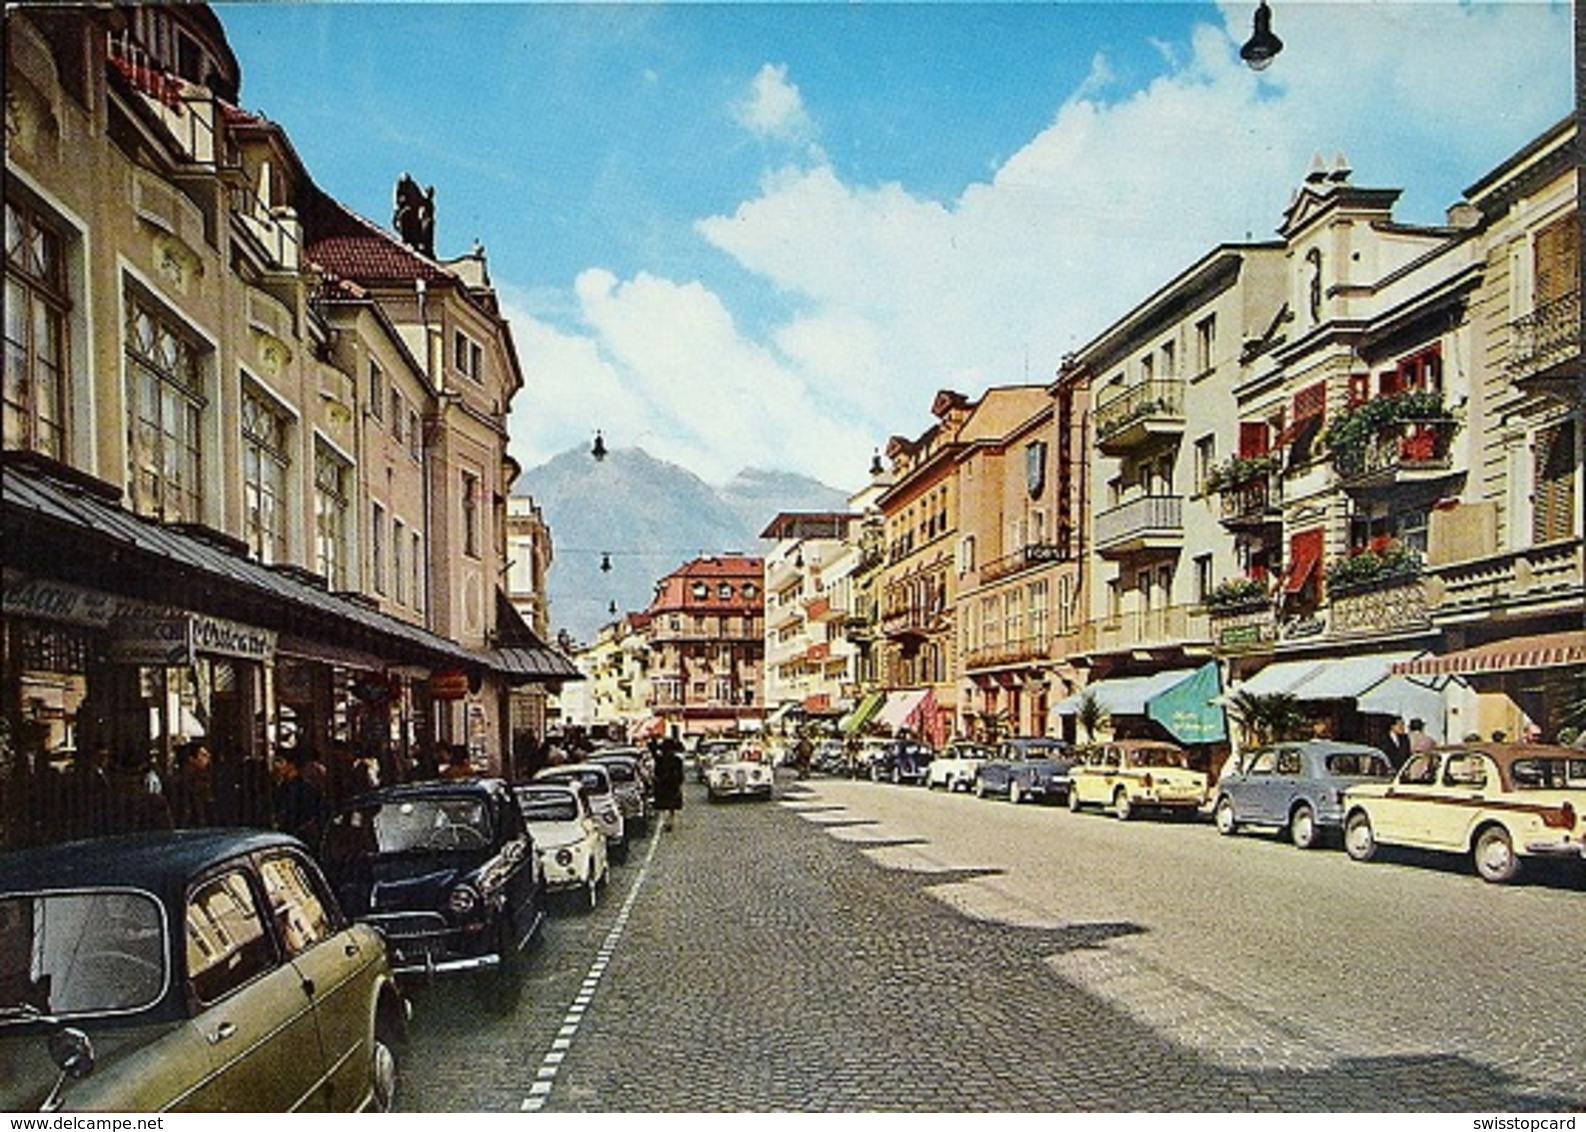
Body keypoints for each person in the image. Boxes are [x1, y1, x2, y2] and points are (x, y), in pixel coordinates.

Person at [653, 733, 685, 832]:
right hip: (672, 784)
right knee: (671, 804)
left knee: (664, 804)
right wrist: (679, 783)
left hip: (664, 784)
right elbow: (680, 774)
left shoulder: (660, 759)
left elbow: (656, 771)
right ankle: (669, 821)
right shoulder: (677, 760)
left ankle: (666, 821)